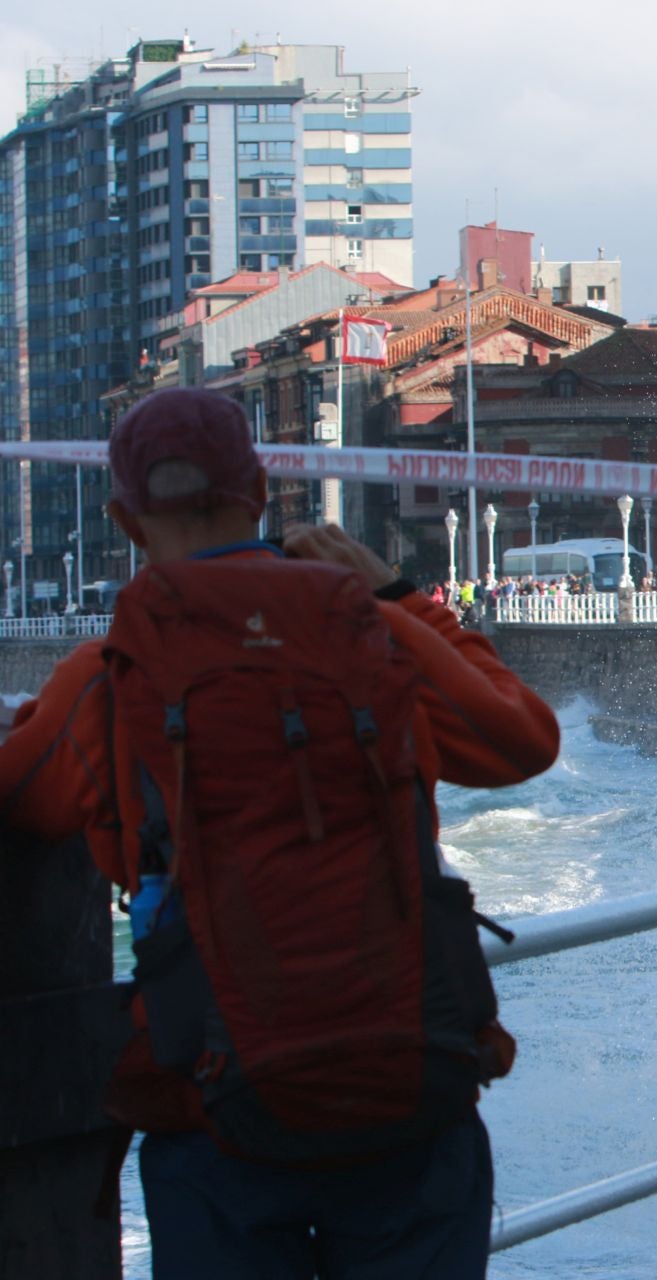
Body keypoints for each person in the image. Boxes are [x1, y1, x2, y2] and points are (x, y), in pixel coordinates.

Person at [0, 389, 560, 1278]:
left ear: (125, 521)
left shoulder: (108, 676)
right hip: (405, 1079)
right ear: (263, 492)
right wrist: (401, 596)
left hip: (218, 1107)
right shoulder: (371, 631)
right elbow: (521, 738)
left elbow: (22, 794)